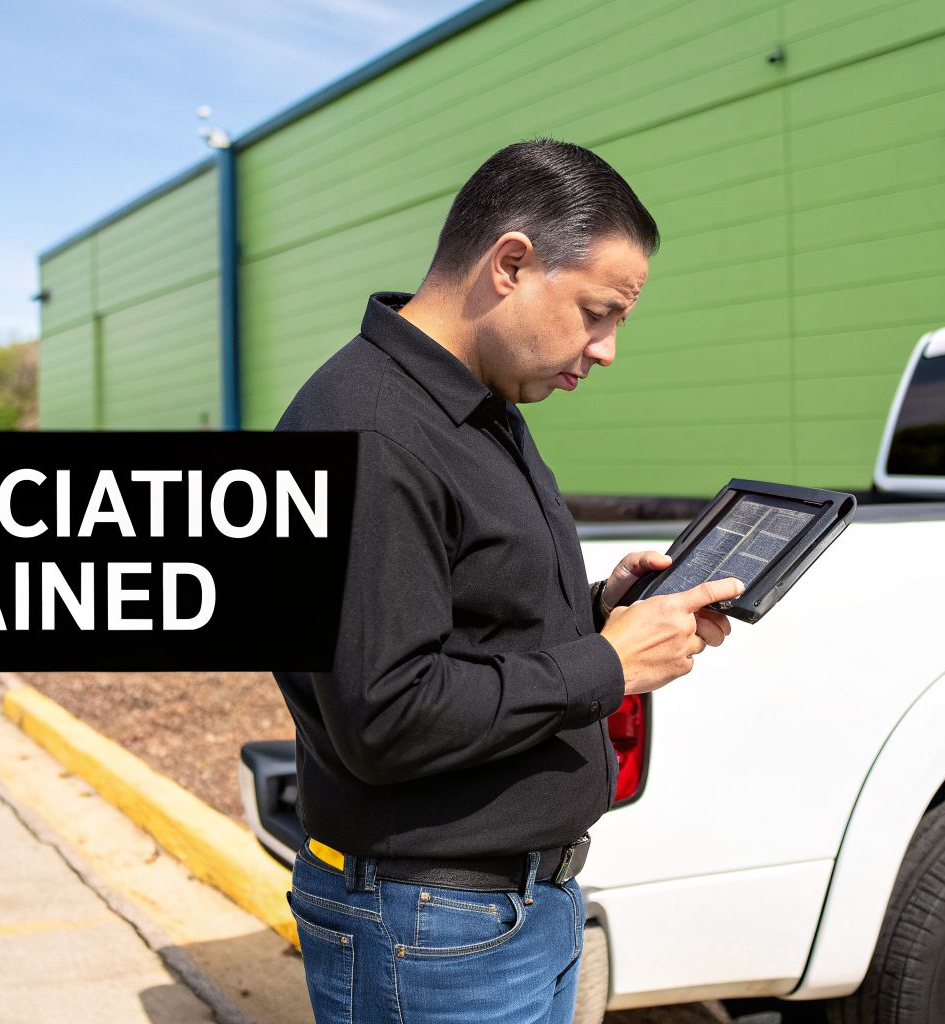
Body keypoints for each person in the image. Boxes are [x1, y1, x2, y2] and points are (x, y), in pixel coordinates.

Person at [272, 137, 742, 1024]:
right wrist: (607, 665)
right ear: (512, 264)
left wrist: (601, 607)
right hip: (435, 925)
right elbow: (386, 712)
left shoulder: (476, 403)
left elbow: (460, 611)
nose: (606, 351)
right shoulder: (371, 432)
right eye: (598, 312)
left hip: (503, 910)